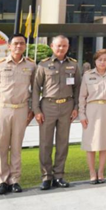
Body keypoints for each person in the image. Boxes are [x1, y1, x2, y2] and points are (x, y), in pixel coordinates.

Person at [0, 34, 35, 195]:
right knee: (1, 146)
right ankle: (2, 180)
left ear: (25, 46)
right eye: (15, 43)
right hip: (3, 109)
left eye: (21, 43)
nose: (18, 46)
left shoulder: (31, 65)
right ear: (9, 46)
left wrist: (33, 110)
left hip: (21, 109)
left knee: (16, 146)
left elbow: (35, 90)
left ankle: (15, 180)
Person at [33, 35, 81, 190]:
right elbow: (35, 89)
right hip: (48, 106)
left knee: (62, 143)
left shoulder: (73, 65)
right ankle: (46, 177)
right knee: (46, 143)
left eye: (64, 46)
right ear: (52, 46)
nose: (61, 49)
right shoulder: (44, 65)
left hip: (67, 107)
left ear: (68, 47)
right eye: (58, 45)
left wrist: (76, 108)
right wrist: (36, 110)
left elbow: (78, 88)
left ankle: (59, 176)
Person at [79, 48, 106, 183]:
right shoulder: (87, 75)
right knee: (90, 142)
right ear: (95, 61)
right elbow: (82, 96)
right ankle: (92, 172)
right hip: (91, 110)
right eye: (100, 60)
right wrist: (82, 114)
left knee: (104, 142)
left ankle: (101, 172)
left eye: (105, 60)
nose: (102, 62)